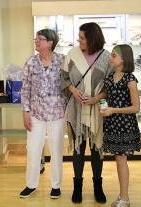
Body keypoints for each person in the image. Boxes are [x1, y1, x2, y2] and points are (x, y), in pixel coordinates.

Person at [61, 22, 112, 204]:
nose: (79, 40)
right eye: (79, 37)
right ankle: (77, 188)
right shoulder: (72, 54)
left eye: (82, 37)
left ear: (92, 38)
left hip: (99, 109)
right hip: (76, 108)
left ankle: (98, 187)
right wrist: (74, 92)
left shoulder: (107, 57)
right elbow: (64, 78)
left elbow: (111, 86)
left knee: (97, 149)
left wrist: (97, 98)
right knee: (78, 148)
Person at [19, 29, 66, 199]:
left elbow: (70, 85)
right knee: (33, 149)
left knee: (56, 149)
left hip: (58, 113)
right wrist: (25, 112)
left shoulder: (62, 60)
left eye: (40, 39)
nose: (36, 41)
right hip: (36, 114)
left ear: (50, 43)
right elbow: (25, 89)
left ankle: (56, 185)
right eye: (36, 38)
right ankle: (31, 185)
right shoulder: (31, 62)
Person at [100, 44, 141, 207]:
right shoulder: (110, 78)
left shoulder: (130, 79)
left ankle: (124, 198)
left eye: (113, 55)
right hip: (112, 124)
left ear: (123, 59)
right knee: (119, 160)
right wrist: (94, 100)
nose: (110, 58)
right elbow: (105, 95)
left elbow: (136, 107)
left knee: (121, 160)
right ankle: (123, 197)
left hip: (124, 125)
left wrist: (113, 110)